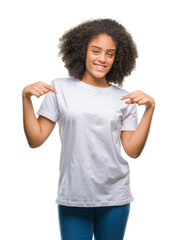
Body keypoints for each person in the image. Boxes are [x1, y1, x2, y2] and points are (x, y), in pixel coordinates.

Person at [22, 18, 155, 240]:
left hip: (114, 196)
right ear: (82, 51)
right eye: (96, 51)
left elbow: (132, 150)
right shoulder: (60, 88)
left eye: (110, 54)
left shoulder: (124, 99)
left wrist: (150, 109)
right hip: (74, 194)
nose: (102, 59)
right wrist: (25, 98)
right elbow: (35, 139)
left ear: (117, 58)